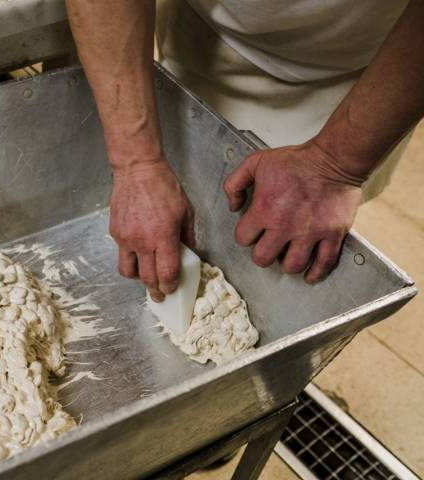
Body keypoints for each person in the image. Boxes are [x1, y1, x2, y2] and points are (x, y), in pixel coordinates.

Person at [65, 0, 424, 302]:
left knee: (288, 254)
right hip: (206, 34)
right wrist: (137, 163)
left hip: (365, 75)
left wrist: (337, 165)